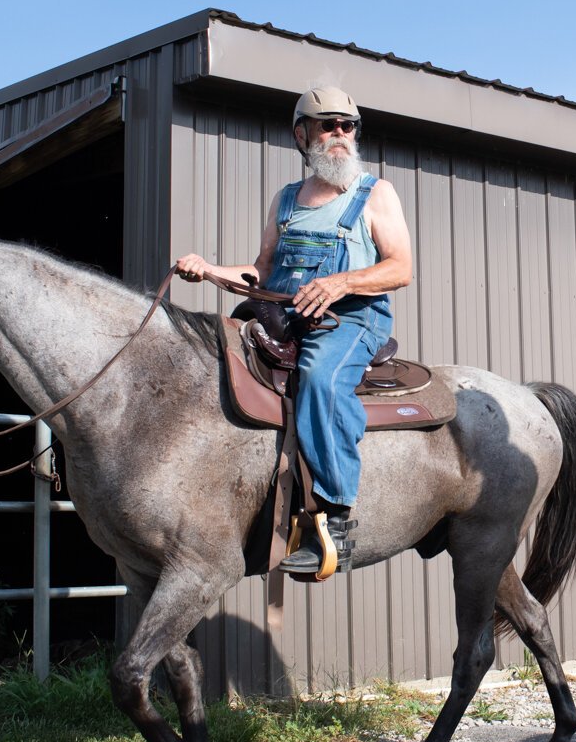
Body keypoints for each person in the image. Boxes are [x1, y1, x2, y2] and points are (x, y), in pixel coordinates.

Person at [175, 86, 414, 572]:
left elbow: (401, 268)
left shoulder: (376, 193)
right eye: (329, 126)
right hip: (283, 316)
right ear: (302, 135)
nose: (341, 135)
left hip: (351, 318)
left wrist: (341, 282)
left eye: (348, 127)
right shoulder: (286, 201)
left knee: (323, 380)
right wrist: (210, 268)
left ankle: (334, 521)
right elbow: (262, 272)